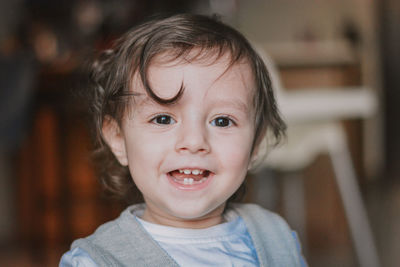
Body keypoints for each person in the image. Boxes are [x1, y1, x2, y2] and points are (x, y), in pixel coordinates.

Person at [60, 13, 306, 266]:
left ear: (255, 143)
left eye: (222, 121)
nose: (194, 140)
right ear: (118, 139)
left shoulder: (276, 237)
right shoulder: (98, 260)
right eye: (163, 119)